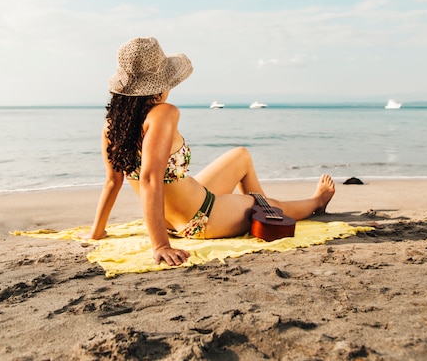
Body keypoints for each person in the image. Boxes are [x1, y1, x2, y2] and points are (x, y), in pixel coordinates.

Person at [81, 37, 335, 266]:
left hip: (182, 209)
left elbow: (112, 181)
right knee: (273, 204)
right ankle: (314, 202)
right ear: (159, 86)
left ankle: (265, 217)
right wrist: (160, 245)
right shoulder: (163, 113)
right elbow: (149, 179)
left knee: (241, 155)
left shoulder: (112, 126)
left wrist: (97, 231)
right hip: (201, 218)